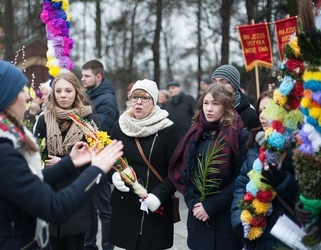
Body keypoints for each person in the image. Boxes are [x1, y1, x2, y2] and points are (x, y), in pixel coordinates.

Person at [0, 59, 124, 250]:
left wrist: (70, 163)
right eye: (21, 91)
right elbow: (55, 208)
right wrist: (97, 170)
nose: (27, 98)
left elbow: (29, 181)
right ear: (4, 98)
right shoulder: (0, 151)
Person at [168, 83, 249, 250]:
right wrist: (193, 203)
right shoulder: (195, 132)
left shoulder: (239, 135)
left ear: (226, 106)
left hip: (224, 217)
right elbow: (185, 172)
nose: (209, 109)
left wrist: (211, 206)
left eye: (215, 103)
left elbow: (242, 178)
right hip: (198, 216)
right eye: (206, 103)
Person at [110, 79, 180, 250]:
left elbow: (177, 170)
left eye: (145, 98)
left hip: (154, 205)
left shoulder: (167, 129)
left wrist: (159, 195)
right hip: (126, 203)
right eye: (135, 97)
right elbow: (109, 159)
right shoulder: (120, 126)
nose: (138, 102)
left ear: (154, 101)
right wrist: (114, 176)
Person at [34, 71, 98, 250]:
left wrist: (64, 163)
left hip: (77, 194)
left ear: (77, 92)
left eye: (68, 91)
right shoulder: (44, 119)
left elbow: (96, 159)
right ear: (53, 93)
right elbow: (37, 155)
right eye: (59, 91)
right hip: (49, 195)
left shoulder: (89, 120)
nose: (63, 95)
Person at [231, 90, 299, 249]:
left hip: (284, 236)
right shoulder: (255, 144)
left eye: (268, 110)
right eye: (260, 111)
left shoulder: (296, 147)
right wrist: (239, 220)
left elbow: (308, 195)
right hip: (254, 237)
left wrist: (282, 181)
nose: (262, 116)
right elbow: (241, 184)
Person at [81, 59, 118, 250]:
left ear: (98, 77)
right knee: (88, 209)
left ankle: (107, 246)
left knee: (104, 210)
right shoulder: (90, 96)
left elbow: (100, 129)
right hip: (88, 160)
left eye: (86, 76)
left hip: (102, 160)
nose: (83, 79)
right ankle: (89, 246)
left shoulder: (107, 100)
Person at [211, 64, 260, 131]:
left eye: (223, 82)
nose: (217, 86)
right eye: (214, 82)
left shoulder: (250, 115)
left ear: (234, 86)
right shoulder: (208, 111)